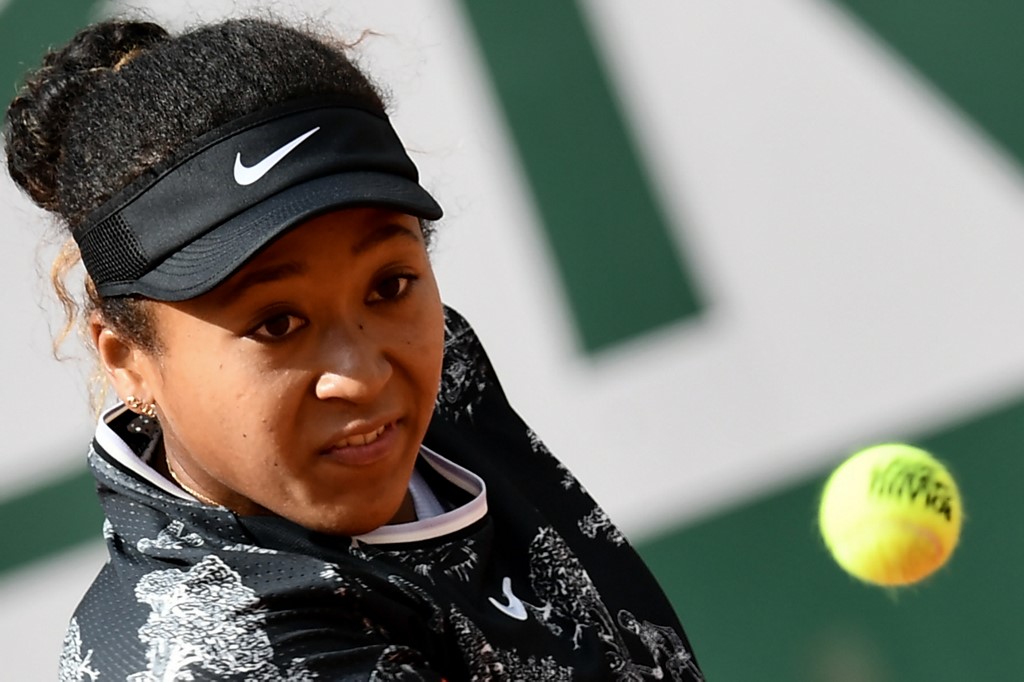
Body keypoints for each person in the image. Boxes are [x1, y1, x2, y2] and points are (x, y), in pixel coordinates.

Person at [4, 17, 705, 681]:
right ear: (127, 361)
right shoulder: (216, 659)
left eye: (389, 286)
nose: (362, 376)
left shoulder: (448, 386)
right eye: (277, 324)